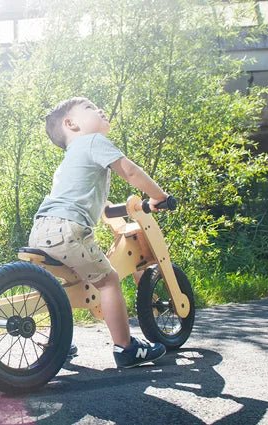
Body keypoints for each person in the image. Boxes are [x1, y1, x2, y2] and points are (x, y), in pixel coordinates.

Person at [28, 96, 168, 368]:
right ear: (71, 123)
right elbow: (130, 171)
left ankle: (59, 342)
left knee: (66, 288)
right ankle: (126, 348)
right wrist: (159, 196)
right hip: (68, 228)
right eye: (90, 108)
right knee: (109, 281)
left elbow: (91, 201)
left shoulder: (69, 160)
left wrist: (110, 208)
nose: (100, 109)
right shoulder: (93, 142)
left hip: (42, 229)